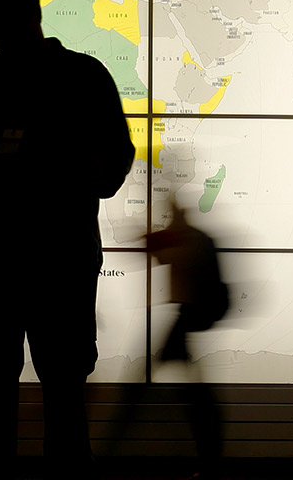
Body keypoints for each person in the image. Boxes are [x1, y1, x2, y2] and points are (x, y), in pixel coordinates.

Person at [0, 0, 135, 478]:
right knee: (64, 390)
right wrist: (66, 162)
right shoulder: (84, 76)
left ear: (26, 17)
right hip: (62, 257)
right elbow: (113, 167)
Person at [107, 204, 230, 478]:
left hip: (188, 315)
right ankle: (211, 457)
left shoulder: (188, 239)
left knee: (184, 390)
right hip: (191, 316)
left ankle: (113, 442)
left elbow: (164, 255)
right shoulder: (196, 238)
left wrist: (147, 240)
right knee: (193, 390)